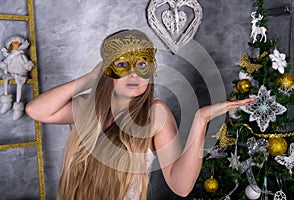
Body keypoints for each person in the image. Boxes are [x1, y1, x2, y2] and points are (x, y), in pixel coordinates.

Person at [25, 29, 254, 200]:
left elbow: (181, 186)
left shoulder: (155, 114)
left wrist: (200, 120)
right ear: (108, 70)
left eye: (142, 65)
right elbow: (35, 110)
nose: (133, 75)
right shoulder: (88, 107)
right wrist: (89, 79)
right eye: (123, 65)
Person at [0, 35, 34, 120]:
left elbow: (27, 63)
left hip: (20, 74)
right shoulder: (10, 55)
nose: (16, 46)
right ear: (11, 45)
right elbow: (5, 62)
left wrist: (29, 66)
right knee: (5, 79)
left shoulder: (22, 55)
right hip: (11, 73)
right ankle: (6, 102)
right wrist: (3, 65)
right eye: (14, 44)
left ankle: (18, 107)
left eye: (17, 44)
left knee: (19, 85)